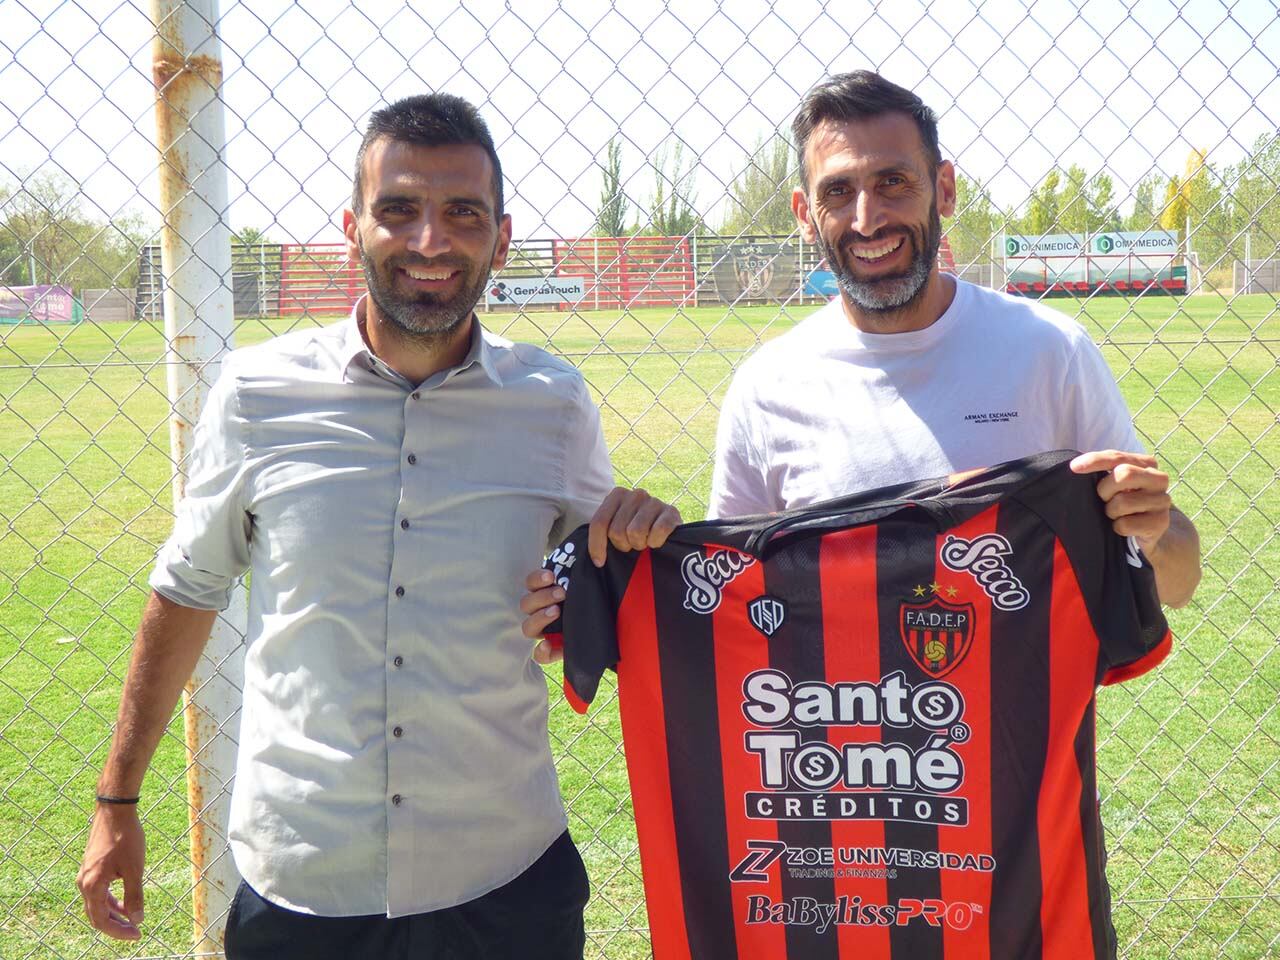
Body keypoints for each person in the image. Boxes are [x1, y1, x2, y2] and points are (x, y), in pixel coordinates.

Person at [76, 93, 678, 960]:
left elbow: (600, 589)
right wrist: (117, 801)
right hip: (303, 883)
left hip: (502, 877)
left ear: (501, 237)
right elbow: (188, 587)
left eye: (461, 213)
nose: (431, 241)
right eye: (399, 209)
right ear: (354, 226)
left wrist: (632, 549)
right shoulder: (255, 396)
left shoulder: (554, 405)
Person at [708, 70, 1200, 604]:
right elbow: (730, 594)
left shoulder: (1050, 351)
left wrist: (1154, 533)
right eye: (839, 192)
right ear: (806, 215)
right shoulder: (768, 386)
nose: (867, 220)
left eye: (893, 182)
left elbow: (1177, 584)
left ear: (944, 189)